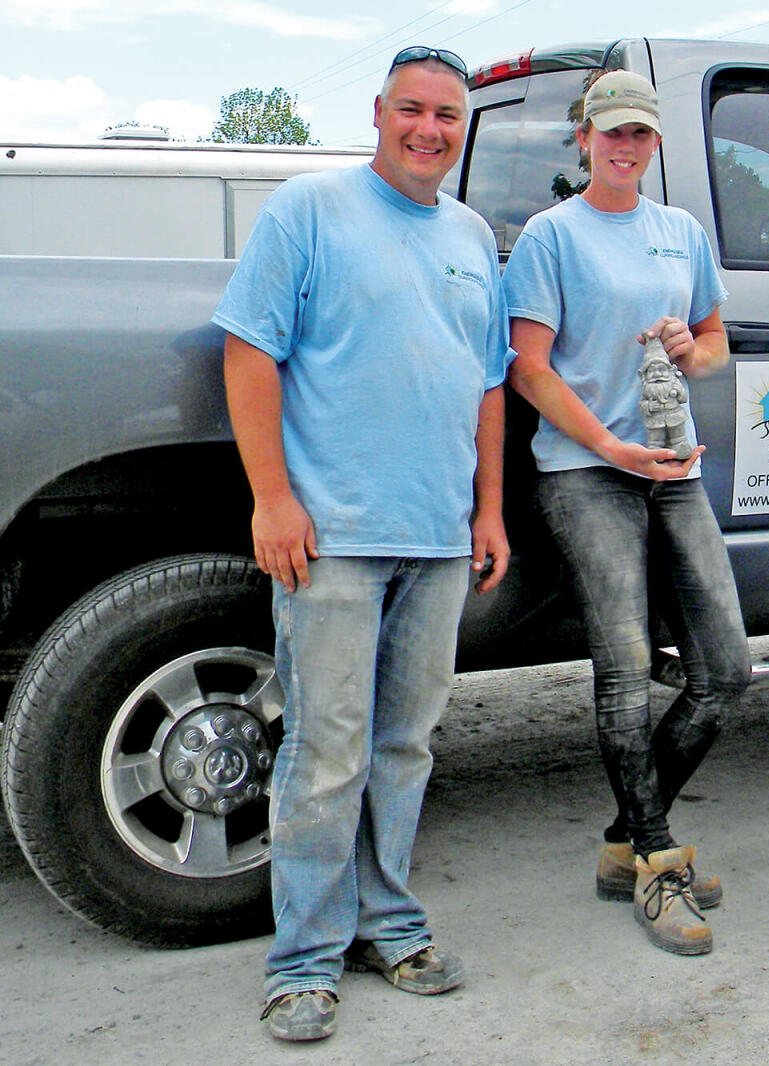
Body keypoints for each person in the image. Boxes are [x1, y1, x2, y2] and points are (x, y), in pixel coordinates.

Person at [215, 46, 510, 1042]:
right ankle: (301, 958)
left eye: (448, 118)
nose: (430, 130)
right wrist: (272, 499)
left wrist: (489, 510)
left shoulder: (472, 235)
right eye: (413, 111)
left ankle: (389, 921)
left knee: (404, 742)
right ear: (378, 112)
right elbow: (251, 349)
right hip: (331, 533)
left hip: (436, 536)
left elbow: (487, 384)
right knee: (326, 745)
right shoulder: (308, 209)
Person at [500, 70, 749, 957]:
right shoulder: (550, 237)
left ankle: (624, 840)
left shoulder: (680, 233)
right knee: (625, 668)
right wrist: (610, 449)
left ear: (654, 144)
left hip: (671, 467)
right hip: (585, 470)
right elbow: (529, 369)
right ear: (584, 139)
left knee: (725, 672)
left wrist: (694, 347)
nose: (625, 146)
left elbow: (714, 343)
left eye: (640, 134)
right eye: (611, 133)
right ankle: (656, 857)